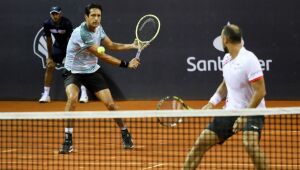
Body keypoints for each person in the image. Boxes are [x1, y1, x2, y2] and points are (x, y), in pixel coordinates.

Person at [58, 3, 141, 154]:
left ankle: (125, 132)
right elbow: (102, 55)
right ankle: (68, 139)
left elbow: (111, 45)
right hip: (73, 71)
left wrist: (132, 45)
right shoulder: (81, 33)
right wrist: (127, 64)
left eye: (99, 16)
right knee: (72, 98)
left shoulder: (99, 29)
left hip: (91, 71)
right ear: (86, 17)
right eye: (93, 16)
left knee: (110, 104)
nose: (96, 19)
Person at [183, 24, 269, 170]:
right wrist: (211, 103)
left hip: (252, 111)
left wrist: (244, 116)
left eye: (221, 38)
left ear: (226, 39)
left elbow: (260, 92)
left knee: (250, 144)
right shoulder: (226, 59)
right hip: (230, 111)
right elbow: (225, 85)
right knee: (200, 144)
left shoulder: (249, 59)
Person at [39, 6, 89, 103]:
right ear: (50, 15)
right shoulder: (47, 23)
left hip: (69, 46)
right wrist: (49, 57)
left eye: (56, 13)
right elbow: (49, 40)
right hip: (57, 47)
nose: (55, 16)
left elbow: (71, 39)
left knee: (78, 69)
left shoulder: (66, 23)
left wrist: (70, 54)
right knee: (50, 66)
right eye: (53, 14)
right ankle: (46, 94)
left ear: (61, 14)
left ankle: (84, 94)